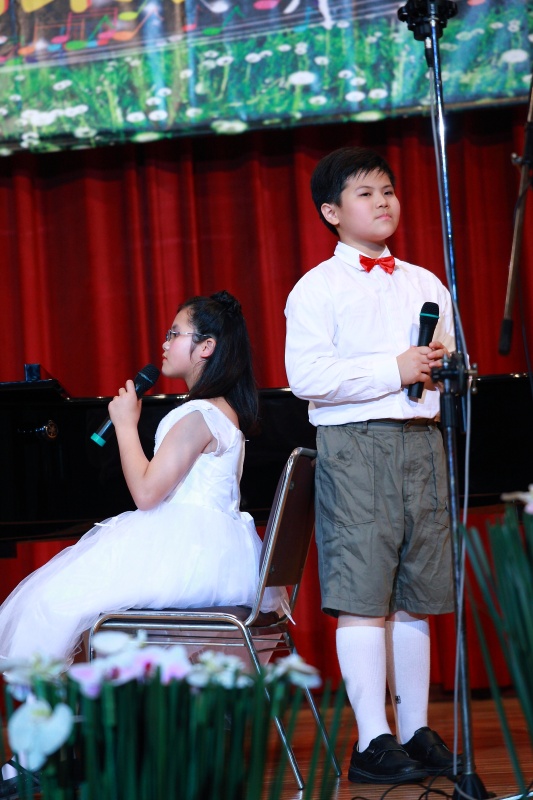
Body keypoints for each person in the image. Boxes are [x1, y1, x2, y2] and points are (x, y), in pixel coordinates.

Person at [284, 147, 460, 785]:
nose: (383, 201)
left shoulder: (426, 282)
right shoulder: (317, 287)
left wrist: (442, 368)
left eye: (388, 190)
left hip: (422, 442)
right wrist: (395, 367)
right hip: (355, 446)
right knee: (364, 594)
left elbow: (445, 358)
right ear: (331, 212)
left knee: (416, 594)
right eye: (365, 193)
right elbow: (307, 377)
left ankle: (413, 730)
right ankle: (371, 740)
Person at [0, 290, 286, 667]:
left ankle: (70, 696)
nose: (165, 344)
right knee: (72, 603)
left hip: (190, 556)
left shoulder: (198, 415)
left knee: (54, 603)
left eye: (175, 334)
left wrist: (124, 424)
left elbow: (147, 493)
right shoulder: (222, 412)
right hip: (218, 554)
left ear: (206, 347)